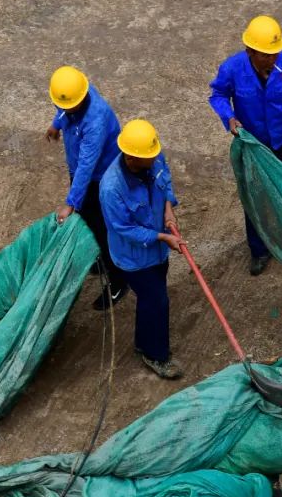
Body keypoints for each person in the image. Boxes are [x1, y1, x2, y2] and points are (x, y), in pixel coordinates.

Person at [208, 15, 282, 275]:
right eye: (265, 55)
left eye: (274, 54)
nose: (271, 59)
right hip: (254, 146)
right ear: (250, 51)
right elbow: (219, 94)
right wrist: (230, 118)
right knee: (255, 197)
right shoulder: (232, 69)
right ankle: (259, 249)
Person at [99, 119, 184, 379]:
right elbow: (124, 229)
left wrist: (169, 210)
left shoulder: (151, 156)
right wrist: (161, 236)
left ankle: (142, 341)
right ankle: (156, 355)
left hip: (157, 250)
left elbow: (164, 180)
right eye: (149, 157)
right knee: (158, 300)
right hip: (134, 258)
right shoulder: (111, 188)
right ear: (131, 158)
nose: (155, 158)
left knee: (150, 300)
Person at [45, 65, 127, 310]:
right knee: (89, 222)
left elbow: (86, 166)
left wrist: (71, 203)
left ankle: (119, 280)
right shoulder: (74, 93)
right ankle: (100, 257)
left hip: (100, 177)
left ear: (80, 100)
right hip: (82, 172)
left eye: (68, 108)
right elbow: (62, 108)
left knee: (103, 227)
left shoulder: (96, 120)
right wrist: (56, 124)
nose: (64, 109)